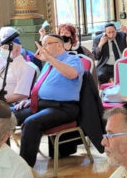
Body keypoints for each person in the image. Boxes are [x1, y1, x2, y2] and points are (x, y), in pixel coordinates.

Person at [13, 34, 85, 167]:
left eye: (47, 44)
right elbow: (42, 86)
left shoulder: (72, 59)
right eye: (43, 44)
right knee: (4, 115)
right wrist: (31, 100)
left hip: (63, 108)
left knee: (31, 123)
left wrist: (50, 59)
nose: (43, 48)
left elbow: (72, 74)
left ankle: (25, 168)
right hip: (42, 104)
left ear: (59, 46)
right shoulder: (49, 64)